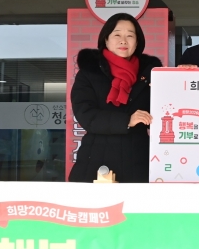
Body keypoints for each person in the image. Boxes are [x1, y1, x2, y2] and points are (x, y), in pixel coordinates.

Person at [69, 13, 162, 183]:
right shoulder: (89, 72)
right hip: (97, 159)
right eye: (117, 35)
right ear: (106, 39)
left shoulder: (150, 73)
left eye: (130, 36)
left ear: (137, 42)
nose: (123, 41)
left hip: (138, 160)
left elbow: (166, 111)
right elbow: (85, 114)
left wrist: (180, 76)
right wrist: (127, 120)